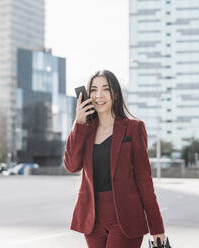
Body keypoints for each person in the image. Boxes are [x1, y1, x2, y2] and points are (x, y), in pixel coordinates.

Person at [63, 70, 166, 248]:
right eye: (94, 90)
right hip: (93, 220)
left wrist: (157, 227)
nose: (99, 95)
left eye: (106, 89)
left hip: (126, 218)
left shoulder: (134, 128)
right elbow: (71, 166)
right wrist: (78, 124)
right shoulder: (85, 130)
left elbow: (144, 180)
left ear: (115, 94)